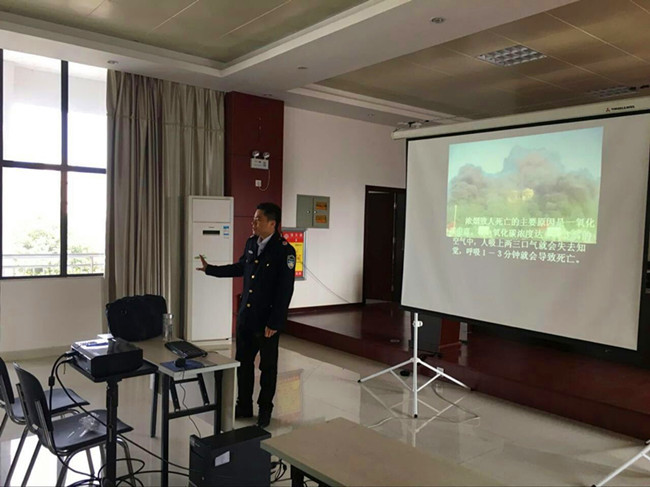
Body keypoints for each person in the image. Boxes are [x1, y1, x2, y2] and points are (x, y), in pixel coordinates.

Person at [196, 202, 296, 428]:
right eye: (254, 218)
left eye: (258, 219)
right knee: (243, 363)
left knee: (268, 367)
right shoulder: (252, 243)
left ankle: (265, 409)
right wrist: (211, 269)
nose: (253, 223)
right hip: (247, 318)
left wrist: (276, 321)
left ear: (272, 223)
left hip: (267, 321)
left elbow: (285, 290)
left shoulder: (284, 251)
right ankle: (244, 405)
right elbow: (240, 268)